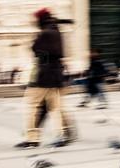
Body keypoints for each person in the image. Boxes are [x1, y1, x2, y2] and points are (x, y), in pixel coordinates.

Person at [17, 8, 76, 148]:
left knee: (32, 106)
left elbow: (36, 50)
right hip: (56, 77)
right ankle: (61, 136)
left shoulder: (45, 34)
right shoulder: (57, 32)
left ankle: (32, 138)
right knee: (55, 108)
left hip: (43, 77)